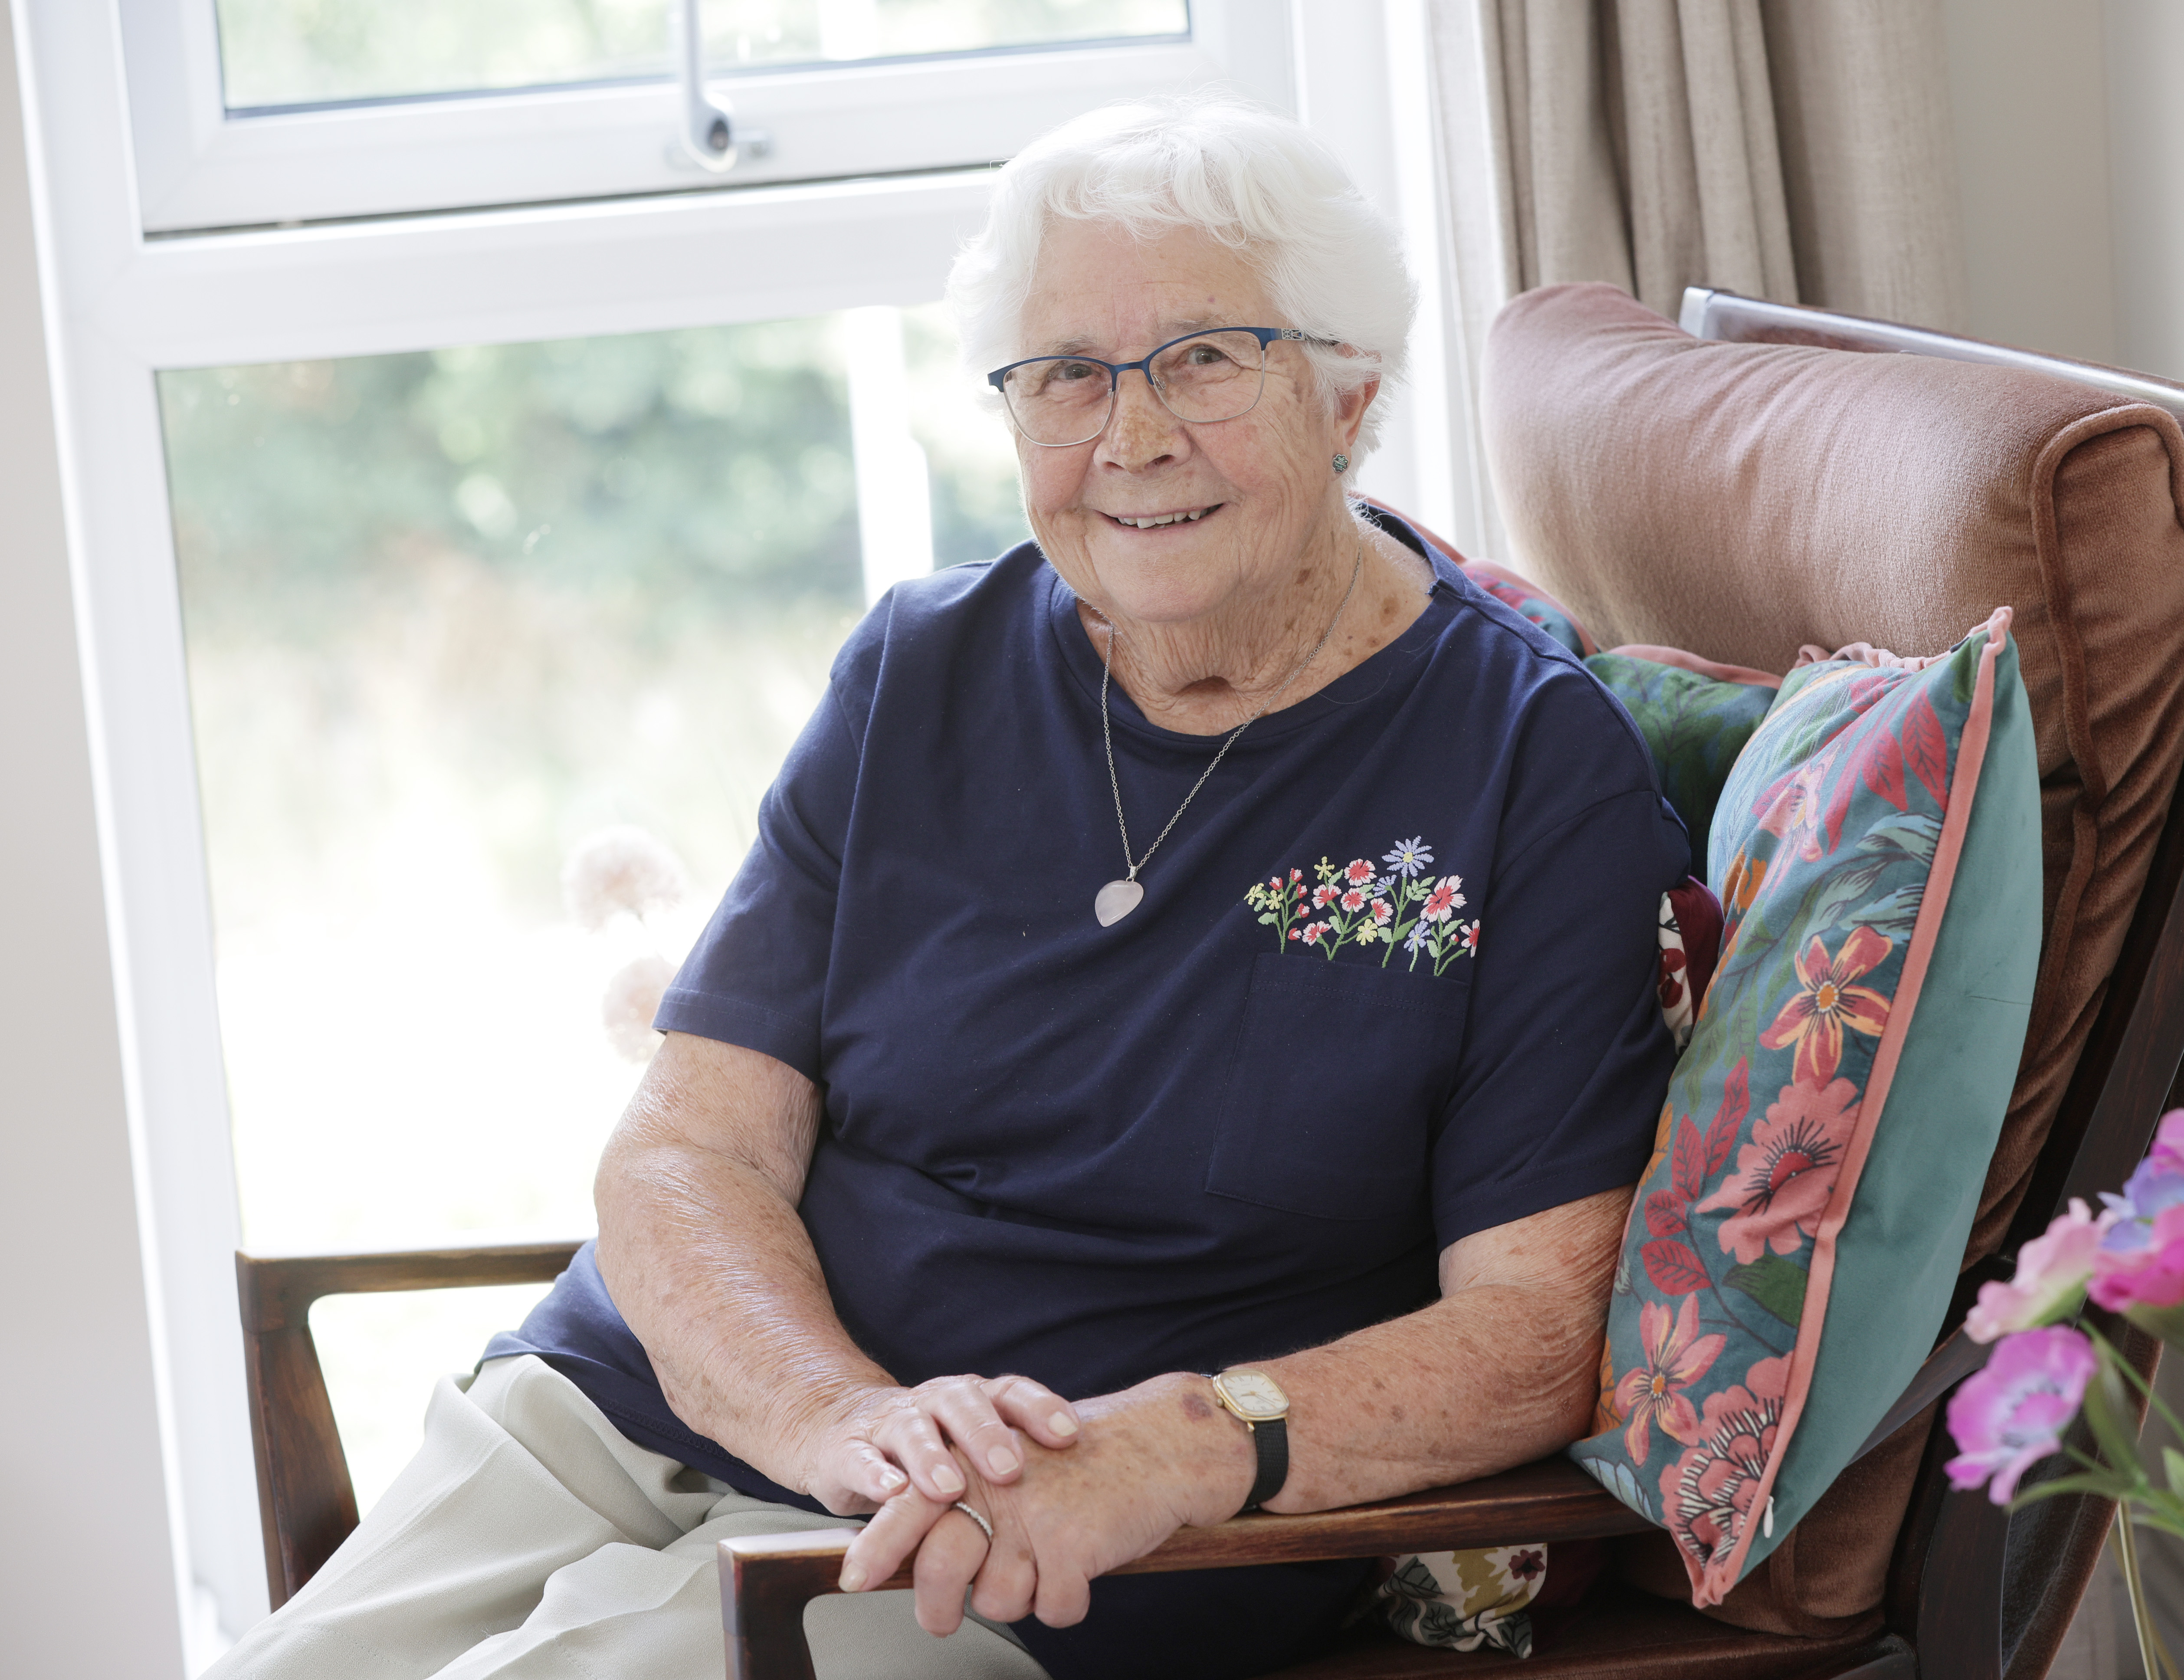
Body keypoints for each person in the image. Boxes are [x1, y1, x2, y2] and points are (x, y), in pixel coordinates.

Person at [207, 95, 1690, 1680]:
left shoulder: (1523, 761)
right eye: (1064, 375)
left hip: (1061, 1533)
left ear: (1348, 397)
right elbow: (690, 1146)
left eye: (1204, 357)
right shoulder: (920, 670)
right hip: (671, 1396)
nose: (1129, 438)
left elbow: (1538, 1331)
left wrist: (1188, 1446)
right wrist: (836, 1414)